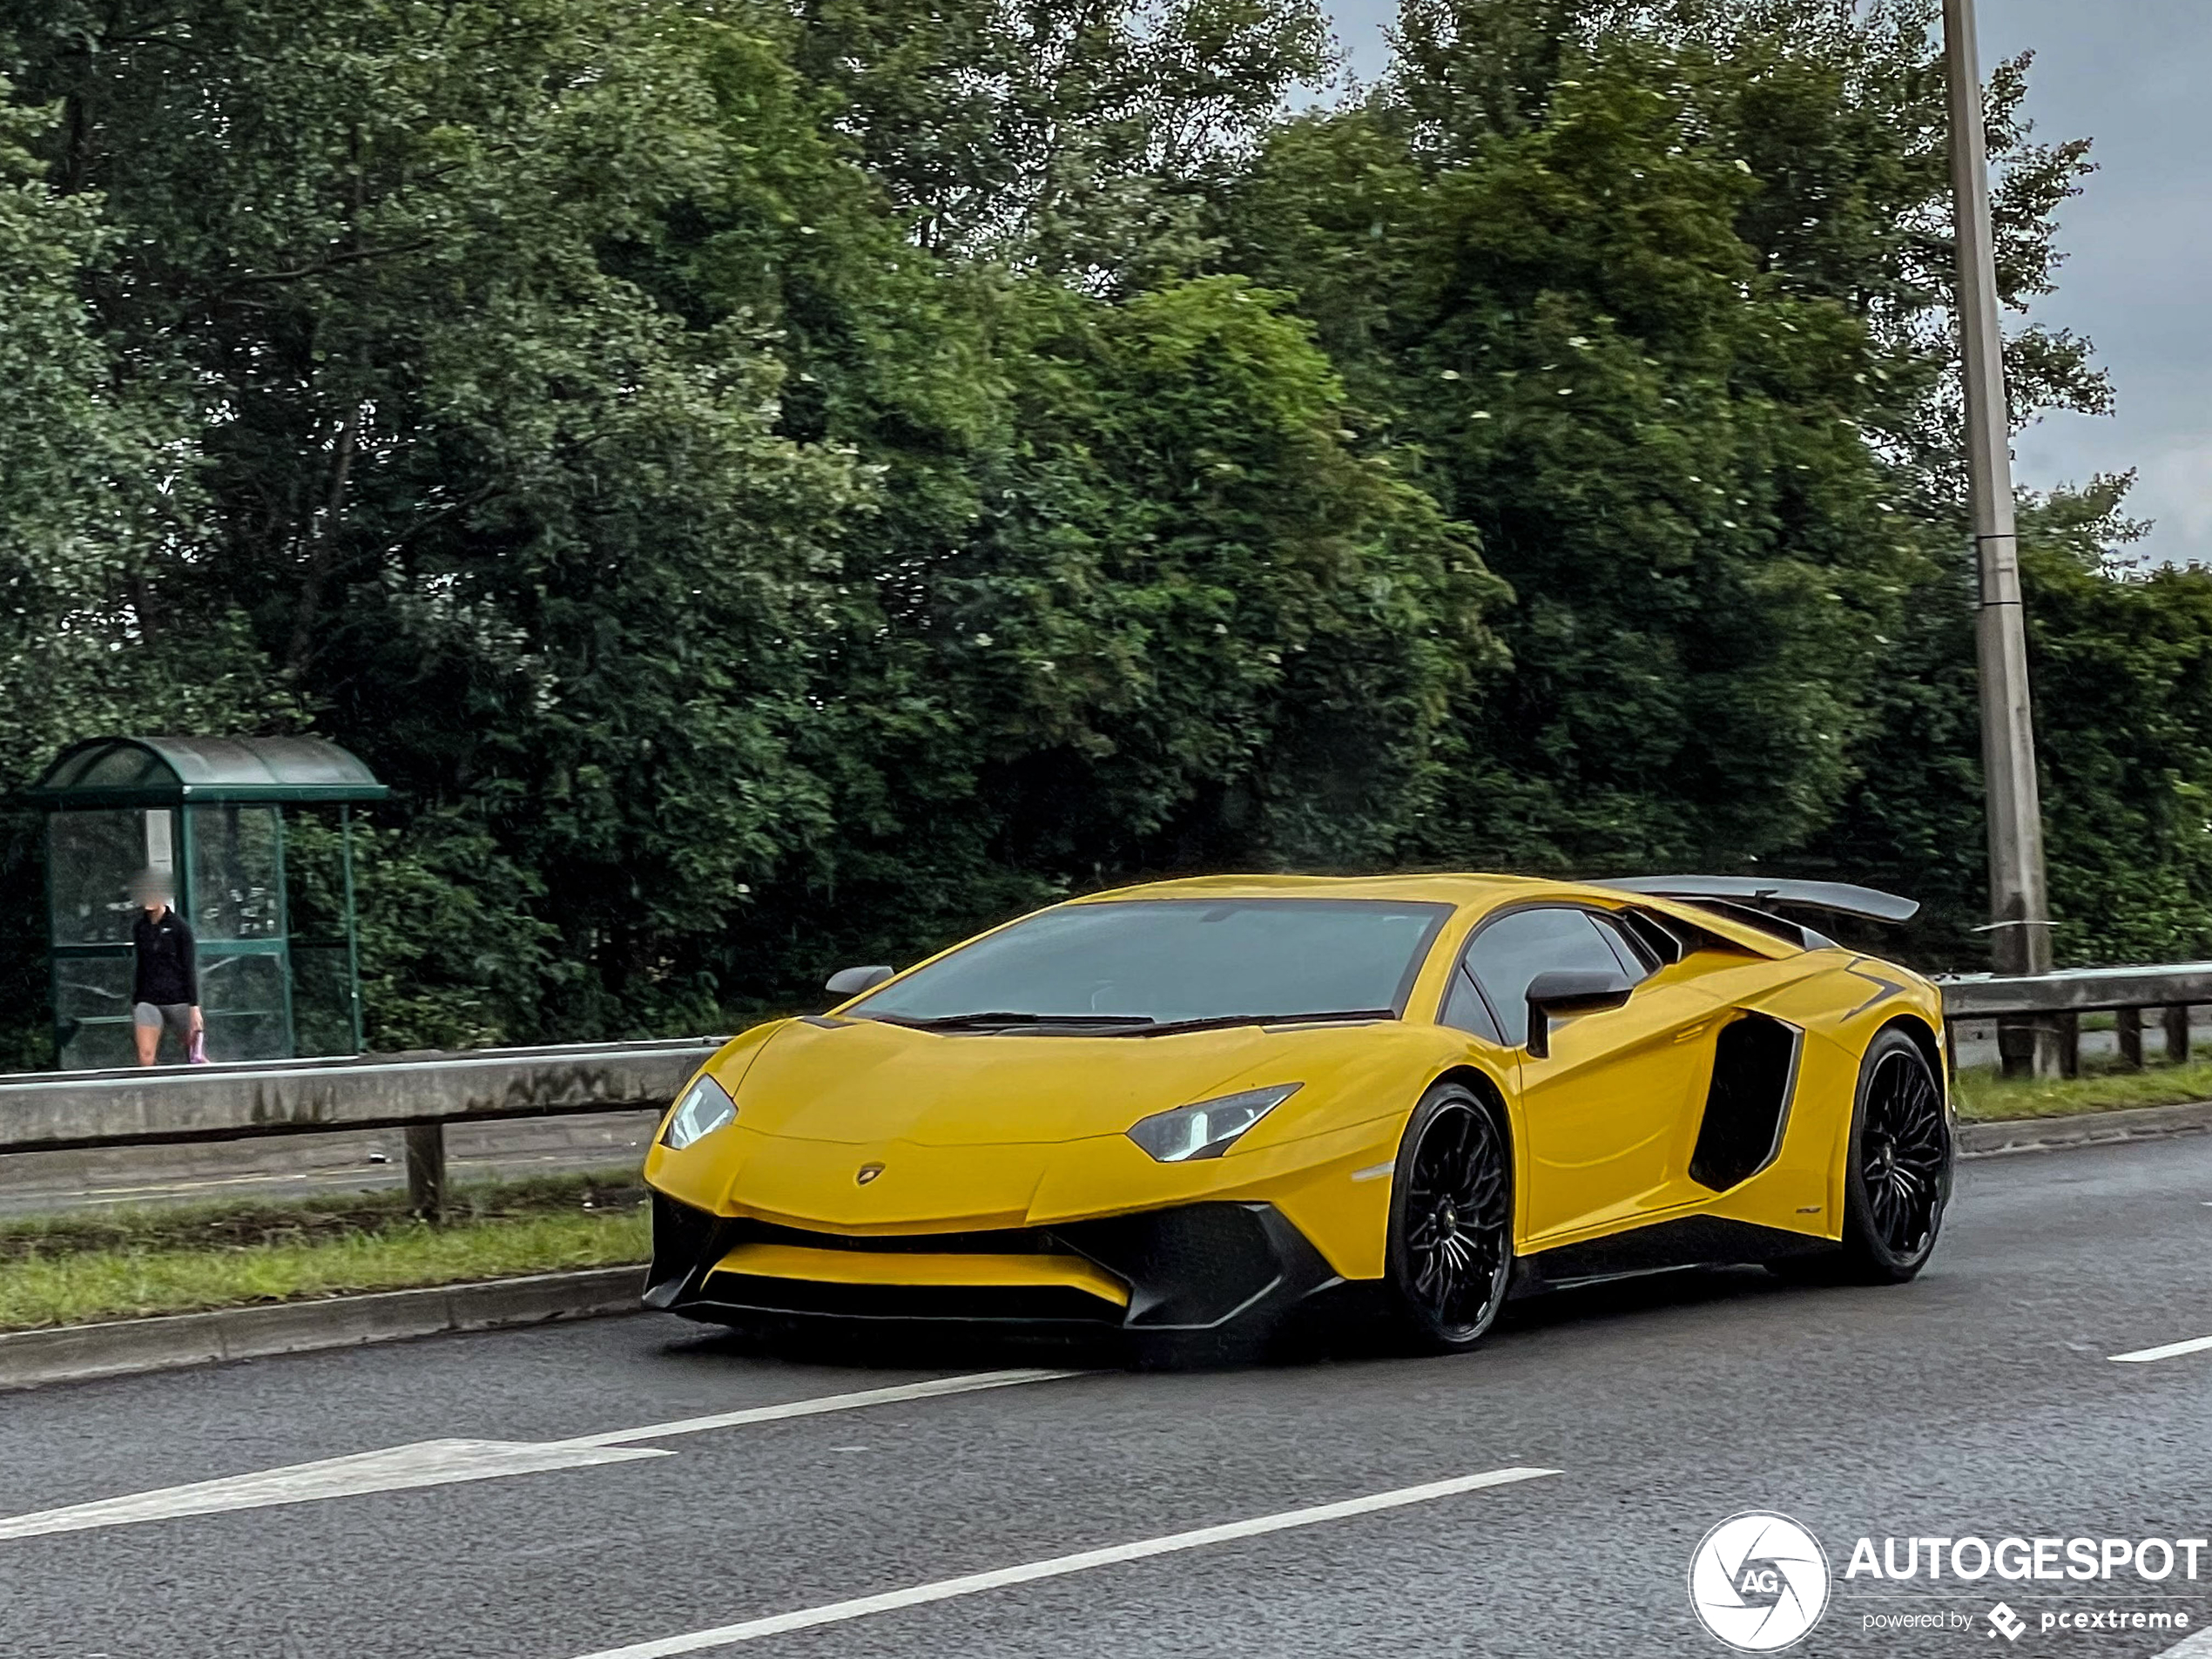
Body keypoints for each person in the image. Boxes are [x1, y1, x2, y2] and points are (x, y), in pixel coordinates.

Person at [130, 870, 203, 1065]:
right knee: (145, 1057)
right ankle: (153, 1093)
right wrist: (136, 1000)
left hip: (178, 999)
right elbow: (142, 964)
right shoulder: (140, 928)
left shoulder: (180, 928)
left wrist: (194, 1007)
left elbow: (189, 967)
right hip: (148, 999)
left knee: (194, 1054)